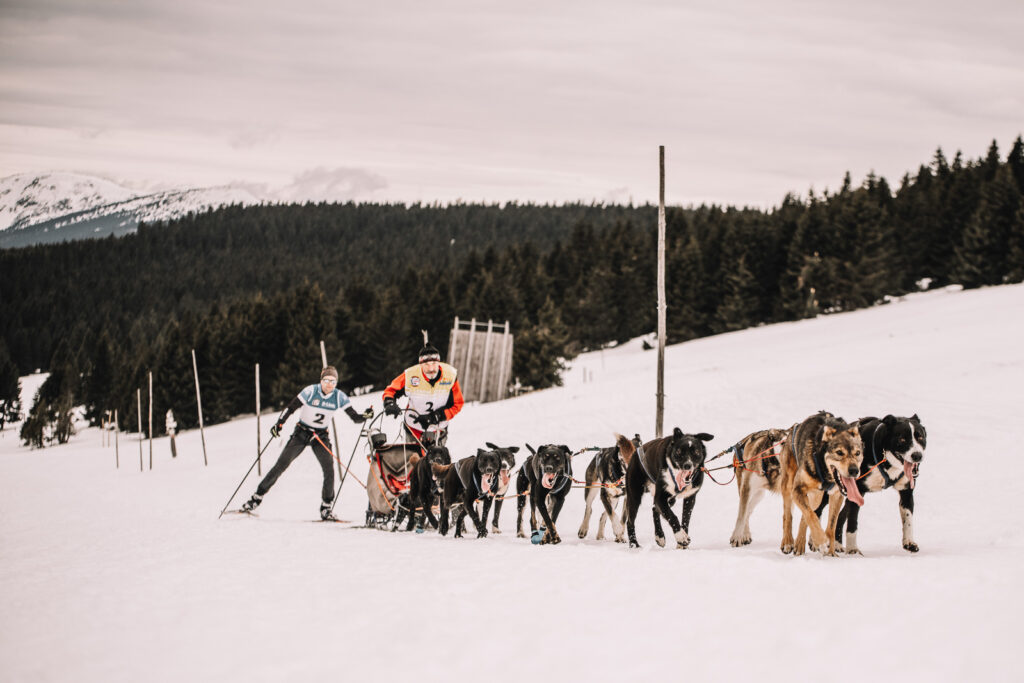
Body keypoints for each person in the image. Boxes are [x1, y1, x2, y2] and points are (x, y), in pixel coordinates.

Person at [241, 366, 372, 520]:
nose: (329, 384)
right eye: (326, 380)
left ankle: (326, 507)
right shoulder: (310, 391)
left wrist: (365, 416)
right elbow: (291, 407)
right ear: (321, 380)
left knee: (329, 469)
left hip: (320, 436)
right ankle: (256, 498)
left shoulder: (339, 396)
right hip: (302, 433)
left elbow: (355, 417)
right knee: (281, 464)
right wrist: (279, 423)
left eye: (333, 381)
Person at [382, 344, 464, 448]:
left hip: (438, 430)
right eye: (426, 364)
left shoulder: (450, 375)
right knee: (414, 462)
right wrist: (389, 403)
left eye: (434, 363)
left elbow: (457, 404)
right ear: (420, 364)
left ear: (439, 362)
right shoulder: (410, 375)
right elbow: (391, 390)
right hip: (414, 429)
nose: (431, 368)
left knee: (437, 463)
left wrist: (436, 416)